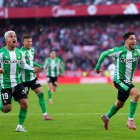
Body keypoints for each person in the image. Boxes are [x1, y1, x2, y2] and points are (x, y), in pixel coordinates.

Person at [95, 32, 140, 130]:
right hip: (119, 80)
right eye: (132, 39)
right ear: (126, 40)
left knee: (120, 104)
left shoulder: (137, 50)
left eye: (135, 39)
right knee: (136, 94)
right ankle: (130, 120)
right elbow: (104, 54)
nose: (134, 41)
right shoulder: (119, 51)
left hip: (127, 81)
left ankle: (106, 117)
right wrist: (98, 67)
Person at [0, 30, 39, 132]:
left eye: (15, 36)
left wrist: (32, 69)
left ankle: (19, 126)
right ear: (6, 40)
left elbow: (23, 64)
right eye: (11, 36)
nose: (14, 38)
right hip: (5, 84)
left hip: (17, 82)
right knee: (7, 109)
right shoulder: (1, 53)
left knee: (25, 103)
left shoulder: (19, 53)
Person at [20, 35, 53, 120]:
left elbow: (31, 61)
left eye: (31, 41)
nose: (30, 43)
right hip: (24, 80)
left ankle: (45, 115)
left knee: (41, 94)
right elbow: (22, 65)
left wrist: (40, 66)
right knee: (23, 101)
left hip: (33, 78)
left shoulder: (32, 50)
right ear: (23, 42)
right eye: (27, 41)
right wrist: (32, 70)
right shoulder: (20, 52)